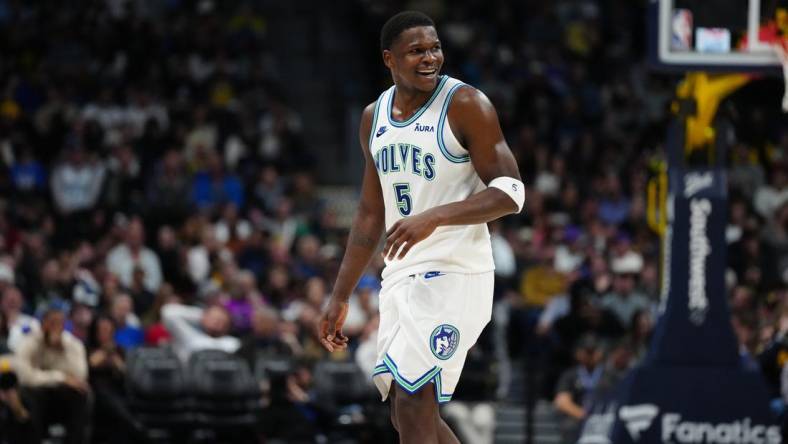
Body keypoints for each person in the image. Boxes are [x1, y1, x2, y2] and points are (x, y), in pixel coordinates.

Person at [316, 11, 524, 443]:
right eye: (417, 51)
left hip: (455, 271)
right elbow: (371, 215)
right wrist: (339, 295)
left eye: (435, 48)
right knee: (405, 412)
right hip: (401, 274)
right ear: (389, 59)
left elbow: (512, 192)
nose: (431, 58)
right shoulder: (373, 117)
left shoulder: (467, 104)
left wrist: (435, 216)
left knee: (413, 400)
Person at [14, 308, 90, 444]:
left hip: (62, 395)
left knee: (80, 393)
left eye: (60, 322)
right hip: (37, 394)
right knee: (32, 394)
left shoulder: (72, 344)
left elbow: (80, 376)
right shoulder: (29, 342)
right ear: (42, 323)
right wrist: (60, 377)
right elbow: (25, 376)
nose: (56, 327)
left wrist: (62, 350)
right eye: (52, 322)